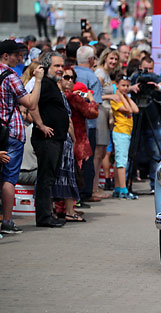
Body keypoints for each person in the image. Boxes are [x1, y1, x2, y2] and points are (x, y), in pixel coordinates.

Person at [0, 40, 44, 234]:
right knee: (9, 178)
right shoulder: (11, 77)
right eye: (16, 55)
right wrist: (39, 80)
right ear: (5, 56)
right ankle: (7, 221)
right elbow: (31, 103)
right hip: (11, 132)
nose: (20, 58)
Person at [30, 51, 69, 227]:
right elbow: (32, 104)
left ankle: (48, 214)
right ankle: (44, 217)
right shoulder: (44, 83)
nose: (61, 69)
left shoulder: (52, 84)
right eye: (57, 66)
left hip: (56, 139)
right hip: (46, 139)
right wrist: (40, 125)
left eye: (62, 65)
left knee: (50, 178)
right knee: (45, 178)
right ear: (47, 67)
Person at [129, 56, 161, 192]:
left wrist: (157, 87)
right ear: (140, 66)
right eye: (145, 69)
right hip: (137, 118)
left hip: (153, 118)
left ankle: (155, 185)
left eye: (150, 69)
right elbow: (123, 88)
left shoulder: (156, 78)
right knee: (132, 151)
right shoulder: (135, 78)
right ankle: (127, 184)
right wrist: (131, 88)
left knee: (156, 152)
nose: (148, 72)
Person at [53, 67, 84, 222]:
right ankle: (69, 211)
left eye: (73, 78)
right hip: (64, 140)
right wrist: (74, 139)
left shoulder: (63, 96)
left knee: (63, 176)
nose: (70, 81)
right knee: (65, 176)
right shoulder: (60, 96)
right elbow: (68, 121)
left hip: (61, 140)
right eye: (66, 77)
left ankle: (64, 210)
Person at [74, 45, 103, 204]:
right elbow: (96, 103)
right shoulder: (92, 78)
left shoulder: (69, 73)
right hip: (87, 124)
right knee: (86, 158)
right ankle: (84, 192)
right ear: (91, 60)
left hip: (71, 124)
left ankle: (75, 194)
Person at [93, 48, 120, 200]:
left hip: (106, 114)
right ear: (105, 58)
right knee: (99, 152)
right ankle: (93, 188)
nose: (113, 61)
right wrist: (111, 96)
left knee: (102, 152)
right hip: (100, 113)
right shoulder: (100, 74)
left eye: (115, 59)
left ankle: (95, 187)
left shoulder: (107, 74)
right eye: (111, 58)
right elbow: (96, 95)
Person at [111, 74, 139, 199]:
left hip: (125, 132)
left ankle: (118, 187)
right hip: (120, 132)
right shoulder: (116, 99)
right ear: (117, 85)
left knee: (119, 160)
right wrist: (122, 95)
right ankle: (123, 189)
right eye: (123, 85)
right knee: (122, 162)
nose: (126, 88)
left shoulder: (125, 97)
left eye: (127, 86)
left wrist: (126, 96)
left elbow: (136, 109)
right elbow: (129, 110)